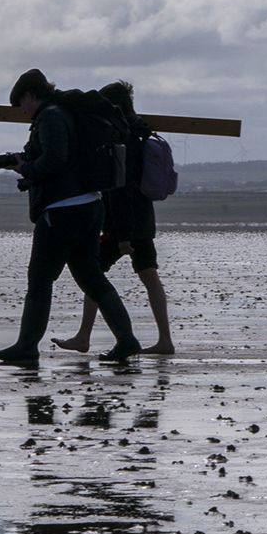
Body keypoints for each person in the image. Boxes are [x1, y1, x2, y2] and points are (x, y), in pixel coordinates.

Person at [0, 69, 142, 365]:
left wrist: (27, 170)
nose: (23, 111)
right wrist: (23, 166)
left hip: (62, 212)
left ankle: (26, 346)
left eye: (22, 103)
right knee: (91, 277)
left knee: (39, 278)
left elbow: (55, 159)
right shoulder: (68, 113)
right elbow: (63, 159)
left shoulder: (50, 117)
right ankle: (127, 340)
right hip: (88, 204)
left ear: (31, 95)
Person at [53, 80, 176, 355]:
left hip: (122, 222)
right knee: (149, 276)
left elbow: (119, 188)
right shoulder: (142, 131)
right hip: (143, 216)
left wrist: (121, 236)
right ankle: (165, 340)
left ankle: (84, 336)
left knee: (92, 274)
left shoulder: (122, 137)